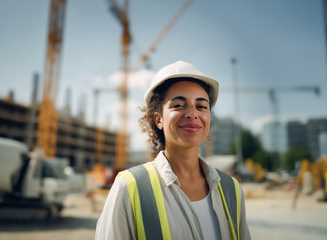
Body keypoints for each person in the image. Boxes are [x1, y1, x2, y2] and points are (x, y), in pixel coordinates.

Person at [95, 60, 251, 240]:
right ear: (158, 119)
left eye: (201, 106)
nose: (192, 113)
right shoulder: (129, 188)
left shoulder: (232, 189)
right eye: (178, 105)